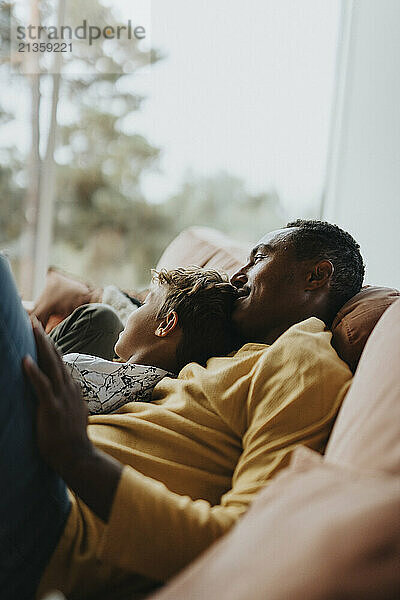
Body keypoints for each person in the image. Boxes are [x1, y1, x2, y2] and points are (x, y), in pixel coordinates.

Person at [1, 220, 364, 600]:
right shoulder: (226, 356)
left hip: (57, 530)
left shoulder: (305, 364)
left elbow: (241, 544)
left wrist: (78, 458)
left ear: (316, 276)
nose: (237, 275)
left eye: (257, 259)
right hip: (42, 475)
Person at [62, 267, 238, 414]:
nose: (133, 312)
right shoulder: (166, 392)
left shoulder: (79, 372)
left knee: (100, 317)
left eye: (144, 303)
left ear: (167, 324)